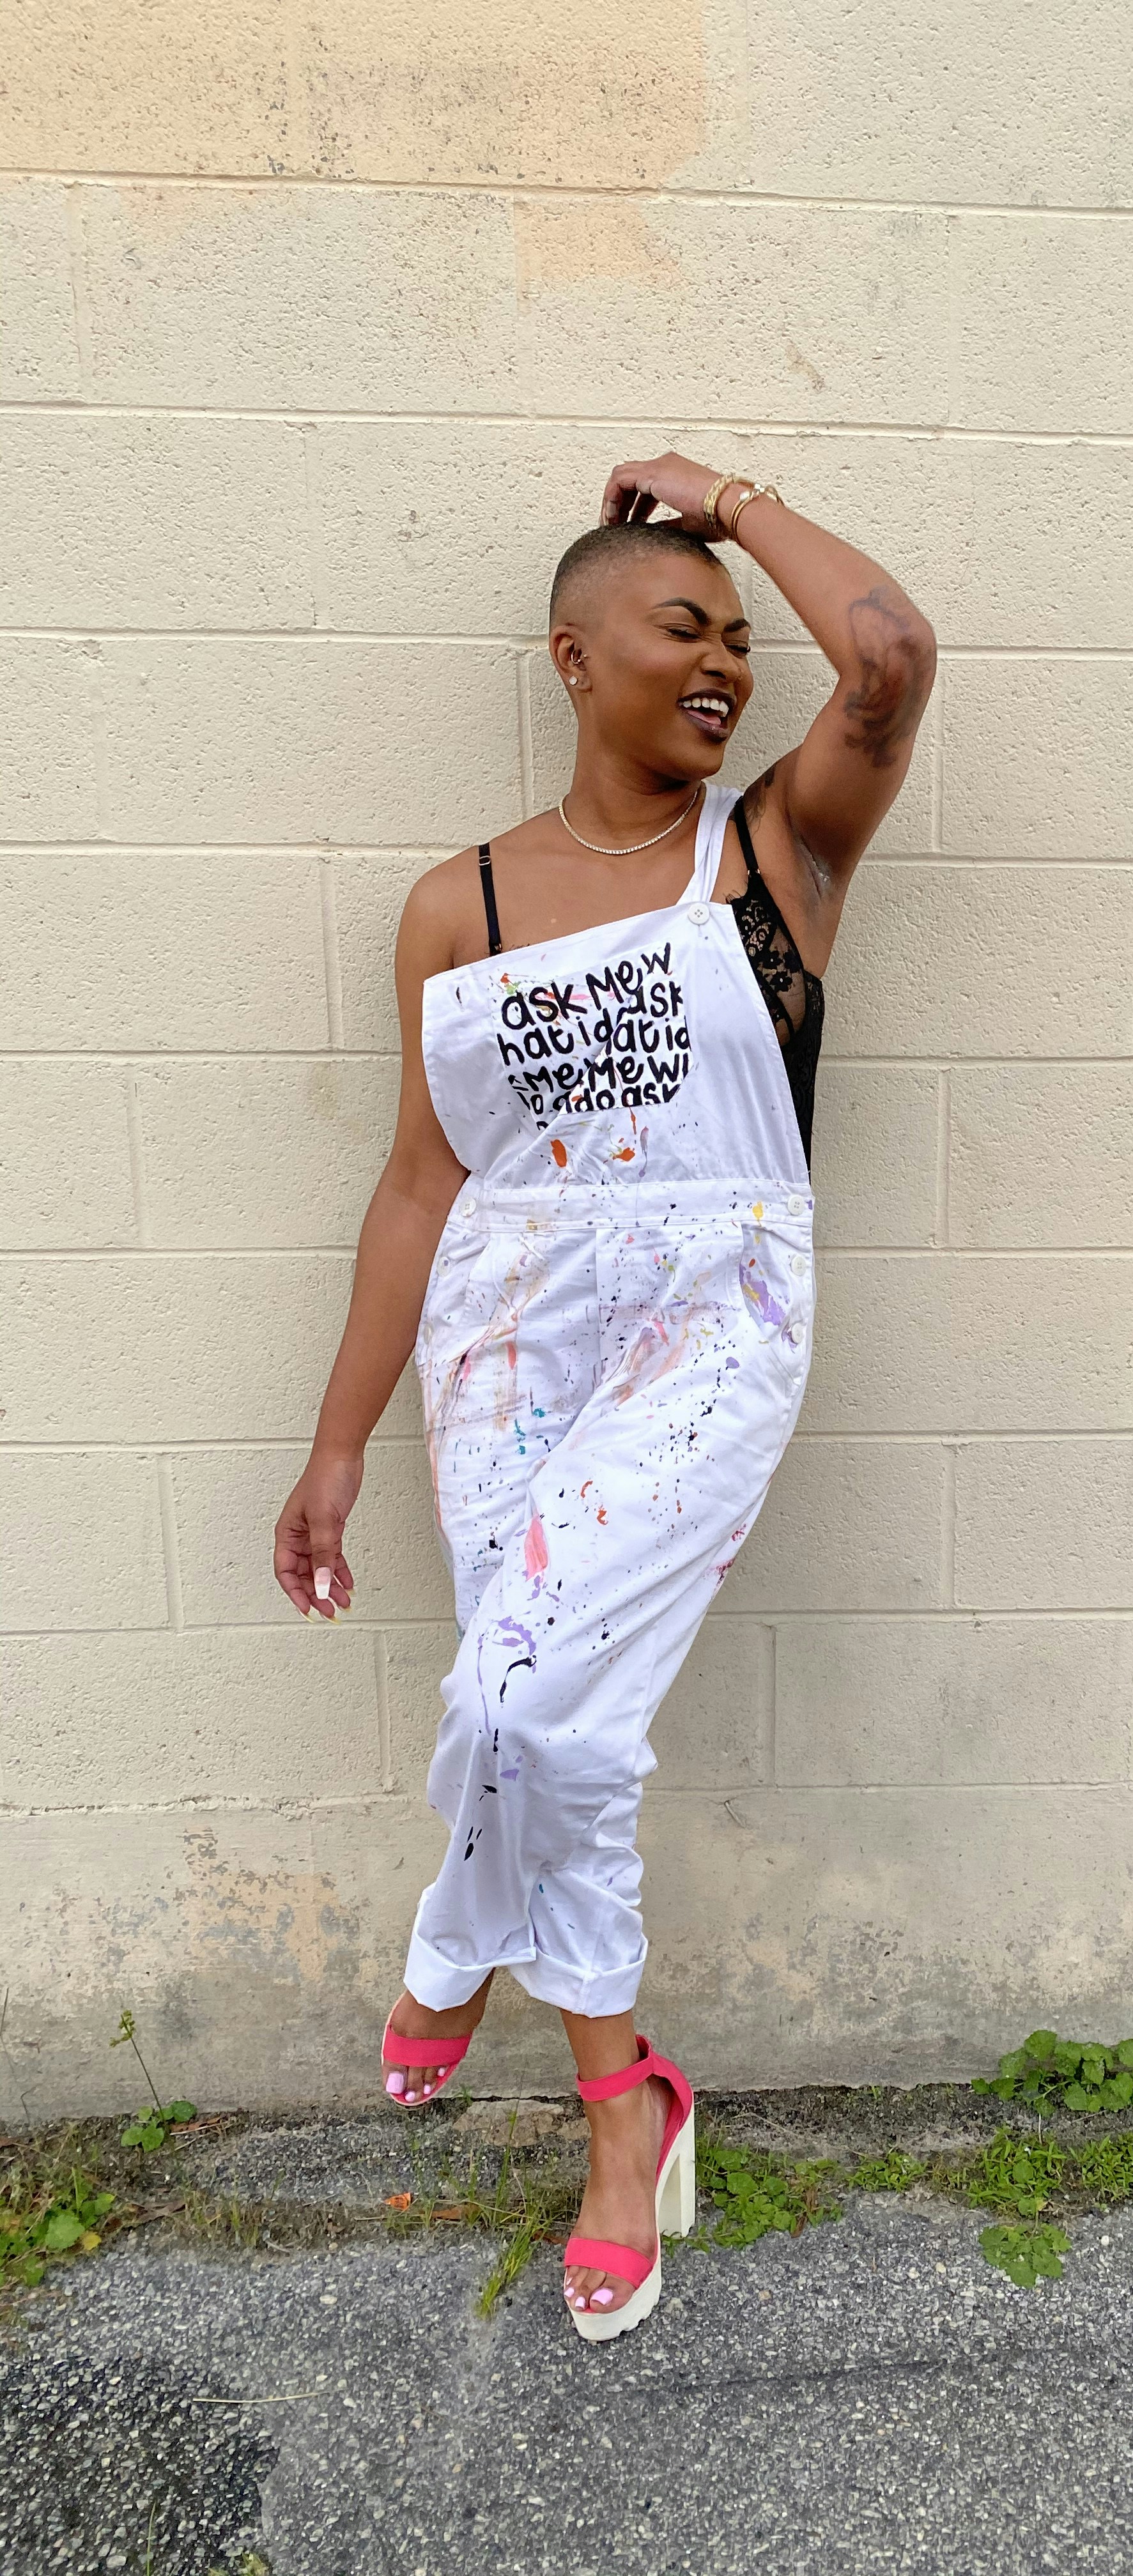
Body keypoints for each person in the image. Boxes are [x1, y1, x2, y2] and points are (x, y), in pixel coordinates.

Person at [274, 454, 937, 2339]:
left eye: (738, 639)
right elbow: (419, 1185)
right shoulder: (459, 903)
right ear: (574, 657)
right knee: (560, 1726)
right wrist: (334, 1443)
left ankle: (457, 1933)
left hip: (711, 1313)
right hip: (503, 1329)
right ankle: (621, 2102)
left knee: (519, 1694)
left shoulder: (779, 850)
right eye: (682, 626)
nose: (728, 660)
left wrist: (732, 505)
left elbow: (886, 652)